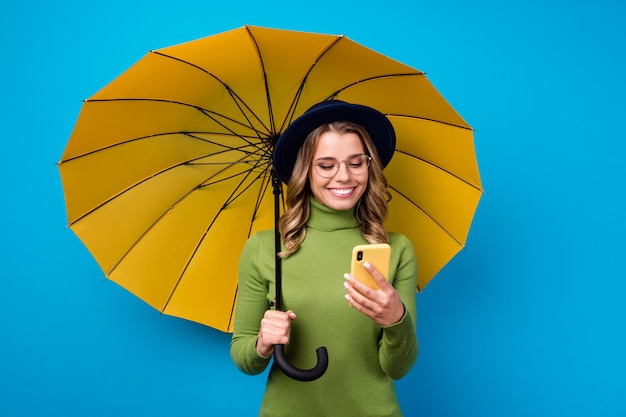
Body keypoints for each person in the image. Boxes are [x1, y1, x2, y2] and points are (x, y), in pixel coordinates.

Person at [230, 100, 418, 417]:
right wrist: (262, 343)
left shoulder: (395, 249)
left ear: (370, 166)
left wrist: (396, 320)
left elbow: (398, 368)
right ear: (305, 170)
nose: (343, 176)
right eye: (326, 165)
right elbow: (243, 358)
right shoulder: (264, 248)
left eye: (356, 163)